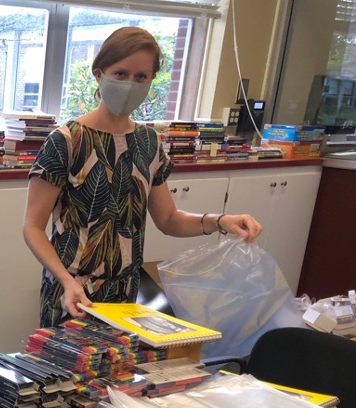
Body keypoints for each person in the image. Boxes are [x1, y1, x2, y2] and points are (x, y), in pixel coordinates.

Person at [23, 26, 262, 328]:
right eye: (120, 74)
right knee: (70, 376)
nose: (130, 84)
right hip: (72, 294)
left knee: (119, 375)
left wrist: (219, 221)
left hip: (126, 296)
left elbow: (168, 219)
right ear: (99, 74)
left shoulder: (149, 143)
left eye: (141, 77)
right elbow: (32, 227)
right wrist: (64, 279)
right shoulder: (67, 141)